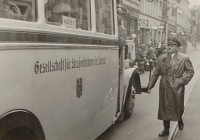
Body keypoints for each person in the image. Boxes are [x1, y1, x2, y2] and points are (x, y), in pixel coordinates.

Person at [148, 37, 194, 137]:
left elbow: (190, 71)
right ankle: (166, 129)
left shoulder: (184, 58)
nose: (169, 47)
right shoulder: (162, 58)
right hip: (164, 84)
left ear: (177, 47)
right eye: (168, 45)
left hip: (177, 85)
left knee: (178, 104)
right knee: (165, 107)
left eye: (172, 46)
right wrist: (150, 85)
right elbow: (156, 73)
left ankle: (179, 119)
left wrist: (182, 81)